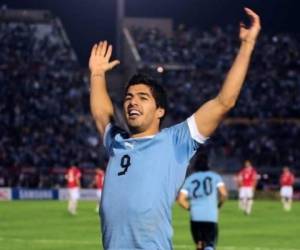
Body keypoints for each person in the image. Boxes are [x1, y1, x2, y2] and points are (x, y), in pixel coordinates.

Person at [89, 7, 260, 249]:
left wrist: (247, 45)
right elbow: (101, 113)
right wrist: (97, 75)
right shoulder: (117, 141)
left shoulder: (176, 140)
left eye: (142, 97)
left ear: (160, 111)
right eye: (128, 97)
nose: (132, 101)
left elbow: (224, 102)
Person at [177, 150, 227, 250]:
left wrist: (191, 208)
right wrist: (219, 205)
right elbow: (224, 194)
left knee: (199, 245)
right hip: (210, 215)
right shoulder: (215, 177)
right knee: (209, 245)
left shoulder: (191, 179)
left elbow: (181, 199)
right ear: (208, 164)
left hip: (196, 216)